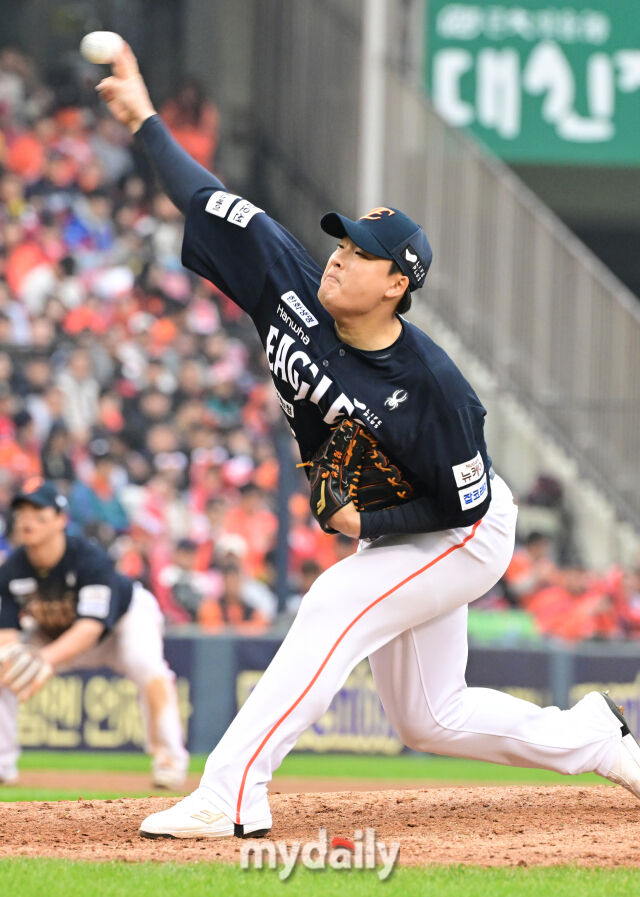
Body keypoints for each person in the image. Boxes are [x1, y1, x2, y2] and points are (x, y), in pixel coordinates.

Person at [97, 45, 640, 840]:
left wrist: (370, 528)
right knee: (430, 716)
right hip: (409, 521)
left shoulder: (433, 386)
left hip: (462, 528)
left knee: (334, 600)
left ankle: (234, 788)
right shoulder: (288, 285)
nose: (339, 258)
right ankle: (597, 737)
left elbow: (464, 502)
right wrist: (144, 119)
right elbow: (205, 196)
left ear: (397, 284)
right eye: (341, 244)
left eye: (359, 254)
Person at [0, 479, 188, 788]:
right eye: (22, 511)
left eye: (38, 511)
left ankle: (169, 761)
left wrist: (42, 659)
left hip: (122, 623)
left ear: (61, 519)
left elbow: (90, 628)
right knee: (2, 668)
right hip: (55, 635)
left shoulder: (89, 557)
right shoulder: (11, 570)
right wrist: (13, 660)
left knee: (148, 667)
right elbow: (5, 635)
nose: (27, 518)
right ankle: (2, 765)